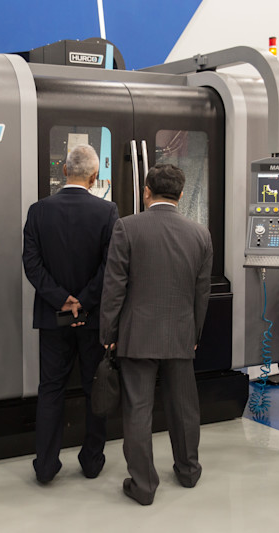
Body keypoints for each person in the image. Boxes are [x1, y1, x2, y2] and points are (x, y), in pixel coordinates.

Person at [100, 163, 213, 505]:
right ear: (181, 194)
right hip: (181, 333)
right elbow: (202, 293)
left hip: (136, 336)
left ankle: (144, 486)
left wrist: (109, 333)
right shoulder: (200, 234)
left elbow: (114, 287)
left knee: (138, 410)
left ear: (146, 191)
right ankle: (188, 471)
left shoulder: (127, 228)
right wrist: (195, 333)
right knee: (185, 408)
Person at [22, 144, 119, 483]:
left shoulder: (38, 211)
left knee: (51, 389)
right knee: (95, 388)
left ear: (64, 171)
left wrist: (61, 299)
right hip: (92, 320)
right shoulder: (107, 212)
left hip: (52, 317)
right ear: (94, 177)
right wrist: (84, 302)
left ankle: (46, 467)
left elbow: (31, 263)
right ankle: (92, 462)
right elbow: (111, 266)